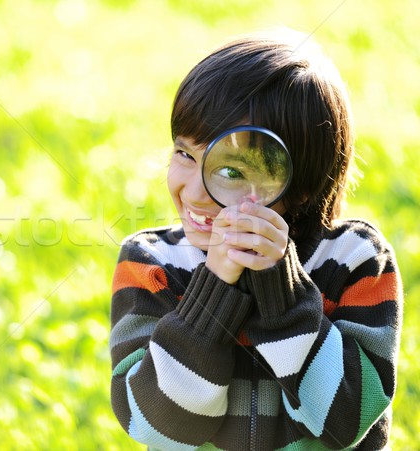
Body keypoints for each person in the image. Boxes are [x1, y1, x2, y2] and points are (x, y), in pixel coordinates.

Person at [109, 29, 403, 450]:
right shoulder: (152, 264)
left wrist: (281, 293)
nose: (192, 191)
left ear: (300, 186)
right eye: (185, 155)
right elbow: (158, 429)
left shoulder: (355, 260)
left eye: (229, 171)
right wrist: (213, 289)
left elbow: (351, 422)